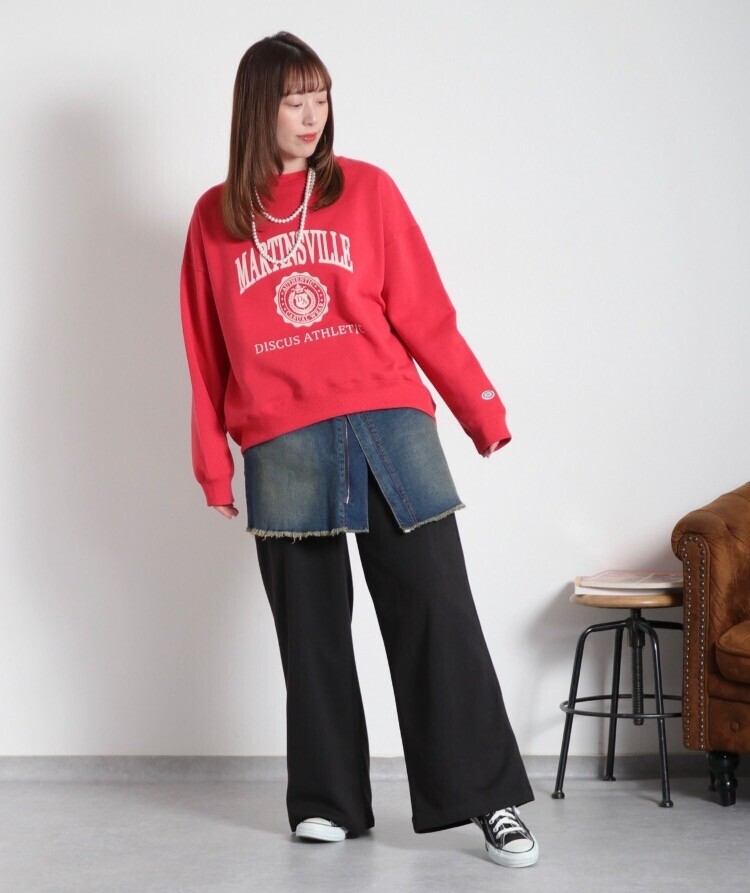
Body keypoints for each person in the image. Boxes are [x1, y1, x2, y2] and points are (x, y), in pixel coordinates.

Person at [179, 30, 540, 869]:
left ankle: (486, 798)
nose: (312, 116)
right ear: (257, 110)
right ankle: (328, 798)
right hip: (283, 437)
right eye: (293, 100)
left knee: (436, 610)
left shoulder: (367, 190)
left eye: (320, 97)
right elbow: (203, 351)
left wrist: (480, 407)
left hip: (388, 422)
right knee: (309, 629)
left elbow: (425, 312)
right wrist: (212, 464)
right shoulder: (215, 218)